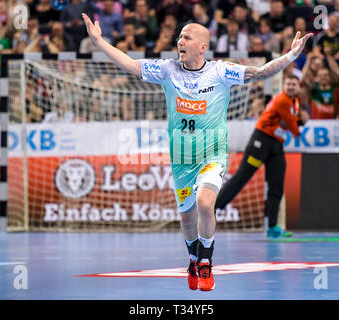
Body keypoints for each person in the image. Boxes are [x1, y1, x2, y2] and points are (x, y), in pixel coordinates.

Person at [82, 12, 312, 291]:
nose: (180, 40)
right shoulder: (167, 70)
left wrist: (289, 57)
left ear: (202, 46)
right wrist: (99, 40)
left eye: (187, 37)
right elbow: (129, 64)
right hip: (181, 157)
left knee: (205, 204)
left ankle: (205, 263)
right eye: (180, 36)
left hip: (212, 153)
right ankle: (193, 259)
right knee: (188, 217)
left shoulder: (220, 71)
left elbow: (259, 72)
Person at [215, 75, 309, 238]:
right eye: (288, 84)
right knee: (241, 177)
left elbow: (290, 121)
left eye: (294, 84)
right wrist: (301, 123)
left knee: (277, 183)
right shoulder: (282, 100)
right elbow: (293, 129)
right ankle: (213, 208)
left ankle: (273, 226)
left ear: (298, 86)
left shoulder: (295, 102)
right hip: (261, 142)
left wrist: (299, 120)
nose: (291, 86)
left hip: (276, 145)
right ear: (283, 85)